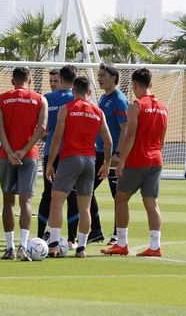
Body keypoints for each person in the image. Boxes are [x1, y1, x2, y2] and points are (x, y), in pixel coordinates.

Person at [102, 68, 168, 257]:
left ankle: (121, 242)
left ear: (134, 85)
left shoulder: (136, 105)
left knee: (121, 198)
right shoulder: (163, 108)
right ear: (151, 84)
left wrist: (121, 161)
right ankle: (155, 246)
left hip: (137, 159)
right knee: (151, 203)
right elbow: (162, 140)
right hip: (156, 159)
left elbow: (130, 135)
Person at [45, 76, 112, 258]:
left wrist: (50, 163)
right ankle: (81, 248)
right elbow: (108, 140)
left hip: (70, 159)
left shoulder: (66, 109)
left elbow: (57, 138)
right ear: (89, 92)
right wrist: (106, 163)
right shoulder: (98, 112)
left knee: (57, 201)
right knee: (85, 208)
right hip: (89, 161)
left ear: (73, 91)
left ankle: (53, 245)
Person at [0, 66, 46, 261]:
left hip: (6, 156)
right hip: (29, 155)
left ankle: (9, 248)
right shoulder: (40, 99)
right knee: (26, 201)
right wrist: (23, 151)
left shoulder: (2, 99)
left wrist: (9, 152)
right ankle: (23, 247)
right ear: (29, 80)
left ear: (12, 81)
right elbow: (41, 129)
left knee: (8, 202)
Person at [37, 65, 80, 244]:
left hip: (51, 154)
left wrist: (48, 135)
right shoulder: (78, 100)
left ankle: (40, 236)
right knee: (72, 195)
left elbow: (41, 130)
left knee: (48, 195)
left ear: (61, 79)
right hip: (72, 153)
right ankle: (72, 239)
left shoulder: (47, 98)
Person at [90, 62, 128, 245]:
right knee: (84, 190)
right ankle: (96, 231)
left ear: (114, 77)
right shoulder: (105, 98)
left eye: (103, 75)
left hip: (112, 156)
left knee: (118, 196)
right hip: (99, 152)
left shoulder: (119, 99)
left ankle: (117, 235)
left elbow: (126, 129)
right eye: (99, 75)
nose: (100, 78)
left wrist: (118, 154)